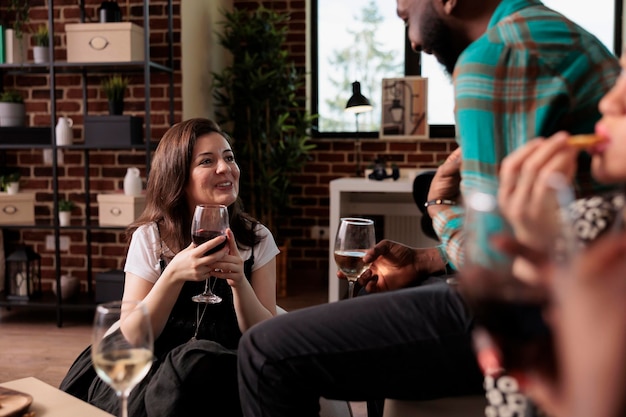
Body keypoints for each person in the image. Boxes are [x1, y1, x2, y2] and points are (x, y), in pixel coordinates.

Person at [237, 1, 620, 416]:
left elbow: (494, 272)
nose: (414, 41)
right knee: (369, 306)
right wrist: (426, 260)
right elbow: (540, 235)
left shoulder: (494, 56)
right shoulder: (555, 32)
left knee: (266, 351)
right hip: (557, 292)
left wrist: (438, 204)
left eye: (405, 15)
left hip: (534, 313)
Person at [60, 118, 279, 417]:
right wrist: (173, 274)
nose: (225, 168)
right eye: (207, 161)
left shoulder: (256, 238)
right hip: (153, 371)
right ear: (179, 177)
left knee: (201, 365)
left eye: (229, 157)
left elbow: (268, 338)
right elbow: (132, 338)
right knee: (188, 368)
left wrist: (240, 282)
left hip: (228, 370)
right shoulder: (150, 238)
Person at [461, 50, 626, 417]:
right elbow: (514, 405)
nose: (610, 101)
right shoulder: (592, 222)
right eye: (622, 74)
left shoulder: (607, 263)